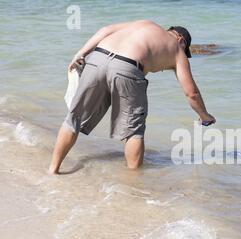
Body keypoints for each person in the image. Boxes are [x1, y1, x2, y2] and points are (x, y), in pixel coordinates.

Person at [48, 20, 216, 174]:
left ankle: (53, 170)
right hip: (127, 67)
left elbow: (105, 30)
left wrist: (80, 54)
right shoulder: (177, 49)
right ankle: (133, 186)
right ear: (181, 40)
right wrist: (205, 116)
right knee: (133, 132)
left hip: (97, 57)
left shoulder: (144, 24)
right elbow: (191, 93)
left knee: (73, 119)